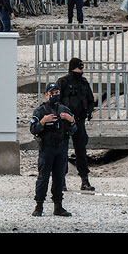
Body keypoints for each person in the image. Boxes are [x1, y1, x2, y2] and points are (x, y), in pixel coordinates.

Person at [30, 82, 77, 217]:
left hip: (61, 148)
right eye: (52, 93)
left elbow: (74, 130)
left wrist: (71, 120)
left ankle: (58, 206)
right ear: (46, 95)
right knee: (43, 178)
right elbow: (33, 129)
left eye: (57, 93)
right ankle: (39, 206)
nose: (55, 95)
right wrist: (43, 122)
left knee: (59, 178)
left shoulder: (64, 110)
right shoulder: (40, 111)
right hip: (47, 149)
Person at [57, 57, 96, 191]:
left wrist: (89, 112)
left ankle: (84, 180)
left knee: (81, 151)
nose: (81, 70)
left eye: (82, 68)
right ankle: (61, 180)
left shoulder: (84, 83)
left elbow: (91, 100)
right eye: (79, 68)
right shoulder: (63, 82)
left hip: (79, 121)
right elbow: (57, 101)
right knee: (62, 151)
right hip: (64, 122)